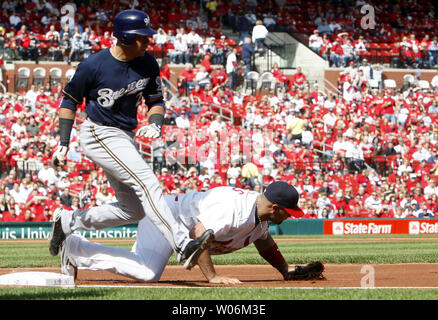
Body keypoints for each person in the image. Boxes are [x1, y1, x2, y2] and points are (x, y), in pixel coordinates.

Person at [49, 9, 214, 271]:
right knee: (148, 182)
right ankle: (183, 245)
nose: (149, 41)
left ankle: (69, 221)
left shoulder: (147, 63)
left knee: (133, 210)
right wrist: (63, 142)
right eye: (143, 37)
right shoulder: (93, 65)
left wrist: (156, 123)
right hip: (98, 133)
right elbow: (69, 101)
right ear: (125, 37)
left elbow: (156, 101)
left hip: (123, 136)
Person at [59, 181, 324, 284]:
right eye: (288, 213)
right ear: (276, 207)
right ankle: (75, 248)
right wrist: (213, 277)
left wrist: (285, 270)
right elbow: (199, 235)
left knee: (145, 270)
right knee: (147, 273)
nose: (289, 218)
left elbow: (265, 244)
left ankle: (76, 249)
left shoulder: (261, 217)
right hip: (166, 217)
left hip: (179, 224)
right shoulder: (232, 209)